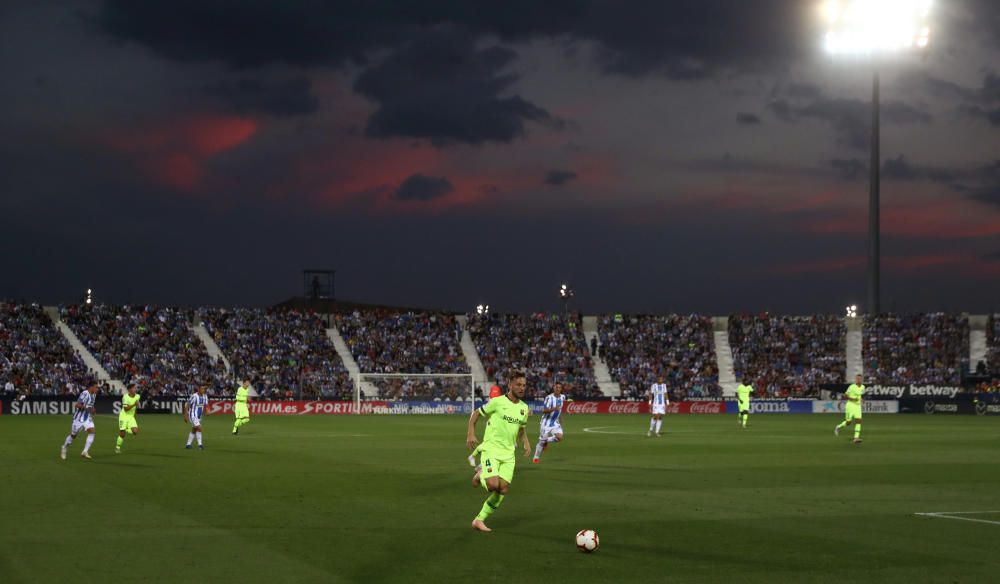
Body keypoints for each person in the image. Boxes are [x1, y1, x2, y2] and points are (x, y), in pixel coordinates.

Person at [465, 369, 531, 532]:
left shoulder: (524, 408)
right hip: (491, 450)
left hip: (509, 455)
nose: (522, 388)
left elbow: (521, 428)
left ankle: (479, 520)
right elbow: (475, 414)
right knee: (493, 484)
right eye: (518, 385)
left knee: (503, 489)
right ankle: (480, 474)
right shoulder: (497, 402)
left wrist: (526, 443)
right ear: (510, 385)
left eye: (524, 385)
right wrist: (471, 433)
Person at [61, 384, 98, 460]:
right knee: (73, 436)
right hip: (78, 418)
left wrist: (93, 410)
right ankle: (64, 447)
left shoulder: (94, 395)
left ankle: (85, 452)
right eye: (96, 387)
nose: (97, 389)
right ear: (91, 387)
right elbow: (77, 405)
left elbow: (91, 405)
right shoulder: (85, 393)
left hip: (87, 417)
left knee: (92, 432)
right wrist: (87, 408)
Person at [533, 382, 567, 463]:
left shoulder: (563, 397)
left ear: (561, 389)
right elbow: (544, 411)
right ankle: (536, 457)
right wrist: (553, 409)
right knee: (541, 441)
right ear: (553, 388)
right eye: (556, 387)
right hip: (546, 423)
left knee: (560, 437)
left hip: (555, 422)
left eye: (559, 387)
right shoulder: (549, 398)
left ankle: (546, 441)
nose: (557, 389)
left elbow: (560, 408)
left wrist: (560, 418)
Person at [835, 374, 864, 444]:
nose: (858, 380)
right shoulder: (852, 386)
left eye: (860, 379)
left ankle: (856, 438)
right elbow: (845, 395)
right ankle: (838, 427)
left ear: (862, 380)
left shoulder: (863, 387)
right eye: (857, 379)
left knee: (859, 421)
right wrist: (853, 399)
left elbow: (860, 395)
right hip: (850, 405)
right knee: (848, 422)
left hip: (858, 406)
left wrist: (862, 399)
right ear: (855, 380)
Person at [116, 384, 140, 454]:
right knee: (122, 434)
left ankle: (126, 429)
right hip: (123, 416)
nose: (135, 389)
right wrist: (134, 404)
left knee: (135, 432)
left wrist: (135, 415)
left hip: (131, 416)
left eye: (135, 388)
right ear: (129, 390)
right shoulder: (125, 397)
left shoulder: (138, 396)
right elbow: (126, 409)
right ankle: (117, 447)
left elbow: (135, 407)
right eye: (133, 388)